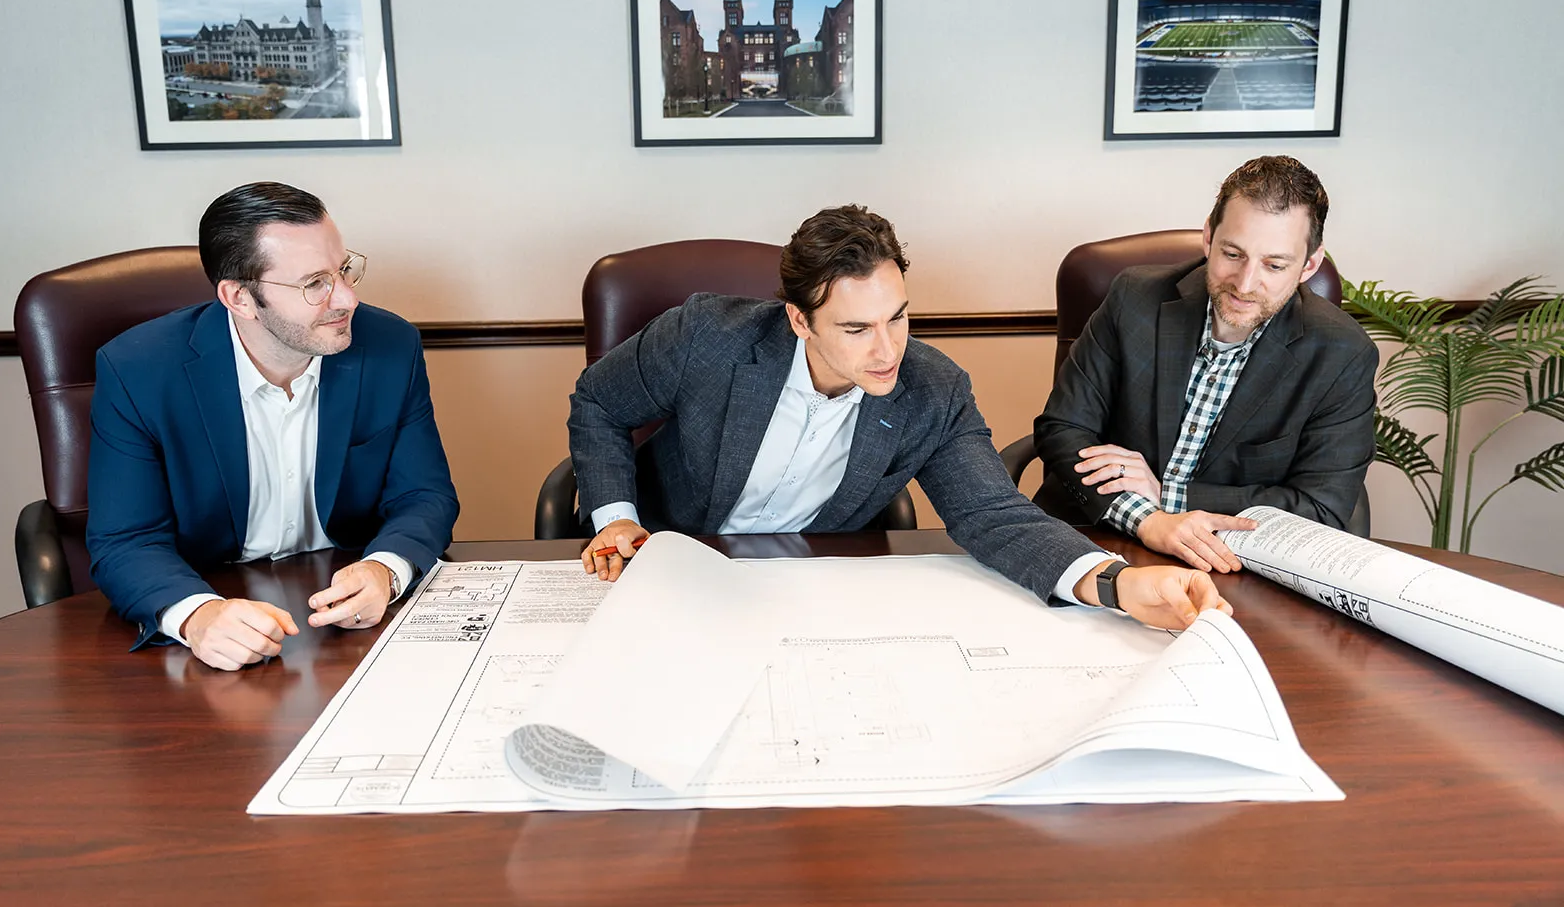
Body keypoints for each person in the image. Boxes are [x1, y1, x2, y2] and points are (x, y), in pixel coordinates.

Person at [567, 205, 1229, 630]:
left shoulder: (932, 388)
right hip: (664, 567)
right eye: (856, 328)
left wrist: (1118, 584)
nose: (888, 351)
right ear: (799, 319)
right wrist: (616, 517)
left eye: (898, 317)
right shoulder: (705, 336)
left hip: (802, 594)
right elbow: (598, 402)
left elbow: (995, 516)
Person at [86, 182, 459, 670]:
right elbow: (125, 540)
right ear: (239, 297)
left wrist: (383, 570)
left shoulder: (391, 346)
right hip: (216, 611)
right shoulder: (137, 370)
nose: (347, 299)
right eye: (314, 283)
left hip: (350, 623)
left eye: (344, 270)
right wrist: (197, 616)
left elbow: (425, 495)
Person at [1033, 155, 1378, 574]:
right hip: (1091, 534)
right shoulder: (1134, 298)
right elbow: (1062, 431)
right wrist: (1148, 519)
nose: (1245, 283)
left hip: (1227, 563)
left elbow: (1321, 507)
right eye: (1233, 253)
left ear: (1309, 264)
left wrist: (1169, 495)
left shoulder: (1342, 354)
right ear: (1208, 237)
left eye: (1274, 265)